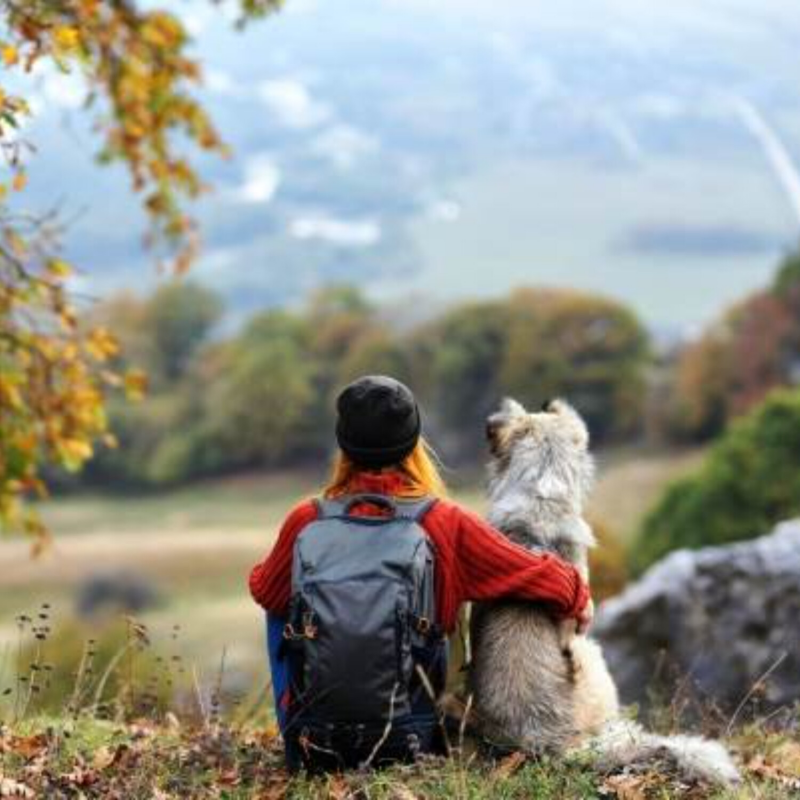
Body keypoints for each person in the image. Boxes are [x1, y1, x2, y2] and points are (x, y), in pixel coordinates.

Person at [249, 375, 592, 771]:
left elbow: (264, 590)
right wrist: (577, 599)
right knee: (453, 607)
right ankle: (437, 722)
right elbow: (548, 576)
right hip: (412, 744)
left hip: (317, 749)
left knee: (281, 608)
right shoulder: (447, 523)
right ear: (414, 443)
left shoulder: (305, 519)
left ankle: (296, 729)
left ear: (343, 445)